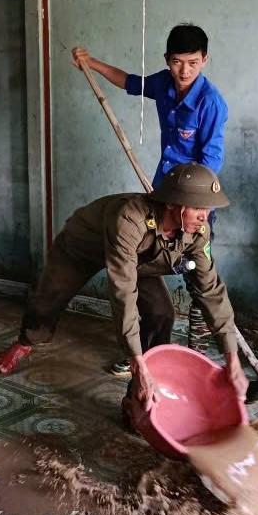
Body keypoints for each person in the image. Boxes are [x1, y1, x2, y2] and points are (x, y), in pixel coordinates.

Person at [0, 163, 248, 417]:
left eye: (208, 208)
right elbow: (123, 294)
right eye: (197, 207)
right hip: (82, 248)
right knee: (49, 297)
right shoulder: (130, 218)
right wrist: (135, 359)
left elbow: (211, 290)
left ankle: (141, 394)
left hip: (139, 259)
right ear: (172, 203)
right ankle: (27, 341)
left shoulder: (197, 231)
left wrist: (231, 357)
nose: (205, 216)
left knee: (161, 313)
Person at [72, 23, 228, 367]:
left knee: (196, 276)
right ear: (167, 60)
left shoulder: (211, 103)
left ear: (204, 60)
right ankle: (141, 352)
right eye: (177, 62)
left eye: (192, 62)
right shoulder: (163, 83)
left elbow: (210, 163)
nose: (184, 70)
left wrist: (190, 204)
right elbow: (130, 82)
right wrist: (92, 63)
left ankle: (196, 357)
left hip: (194, 203)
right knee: (142, 269)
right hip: (159, 198)